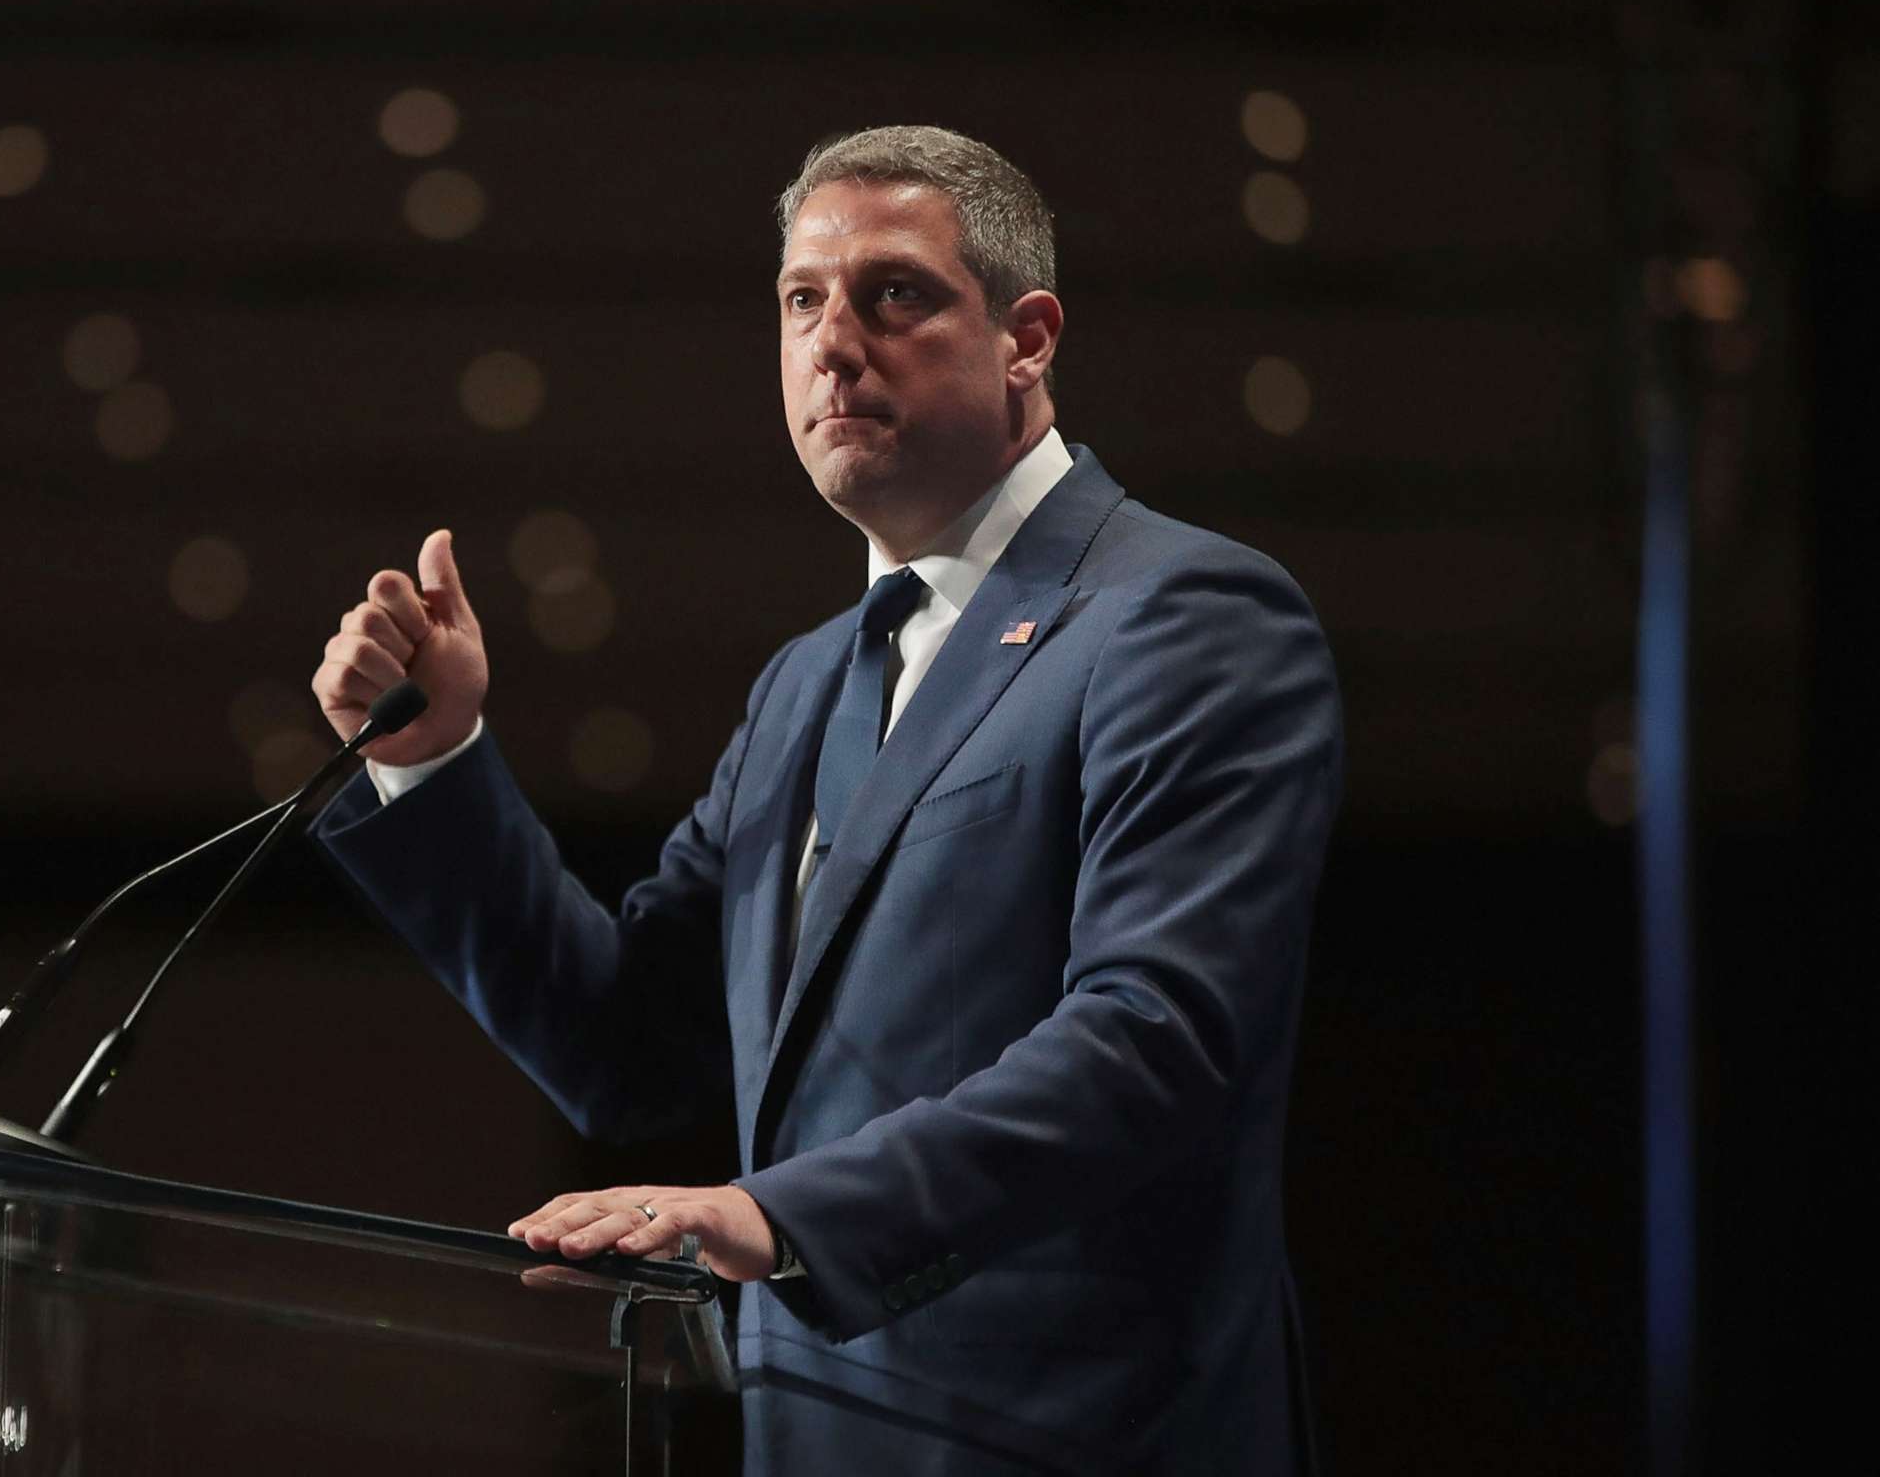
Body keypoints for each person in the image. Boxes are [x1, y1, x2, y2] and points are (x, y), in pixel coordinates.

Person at [308, 125, 1344, 1474]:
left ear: (1028, 337)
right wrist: (432, 762)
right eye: (802, 300)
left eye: (895, 294)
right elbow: (625, 1045)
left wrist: (777, 1218)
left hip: (1083, 1435)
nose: (832, 341)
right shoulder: (806, 688)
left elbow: (1157, 1040)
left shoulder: (1183, 617)